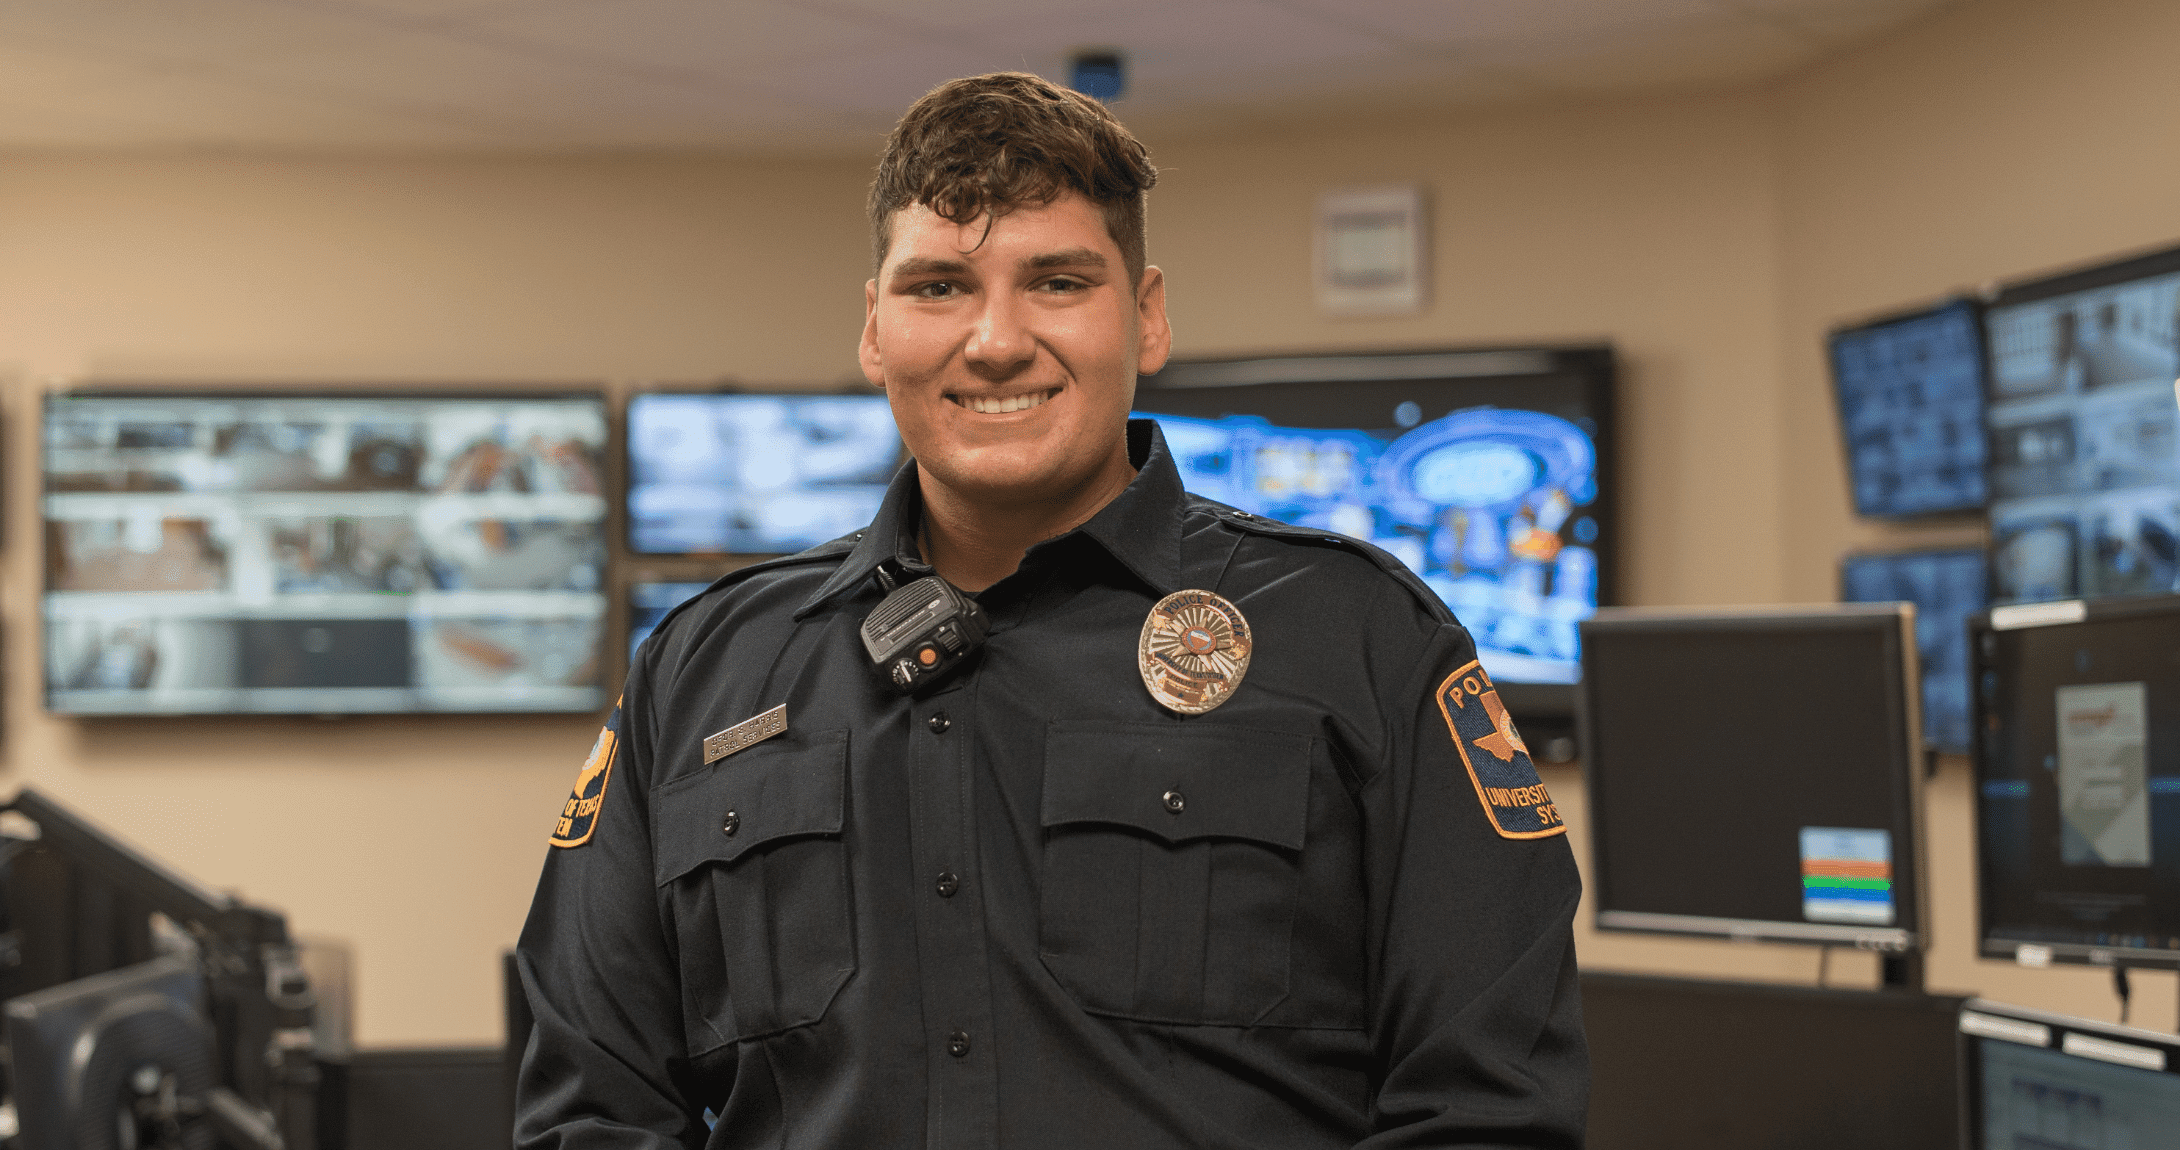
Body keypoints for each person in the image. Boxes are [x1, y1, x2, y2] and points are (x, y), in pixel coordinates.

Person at [516, 71, 1586, 1149]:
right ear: (875, 329)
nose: (993, 340)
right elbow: (590, 1109)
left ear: (1148, 315)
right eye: (936, 287)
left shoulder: (1358, 639)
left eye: (1058, 281)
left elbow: (1484, 1108)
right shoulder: (704, 669)